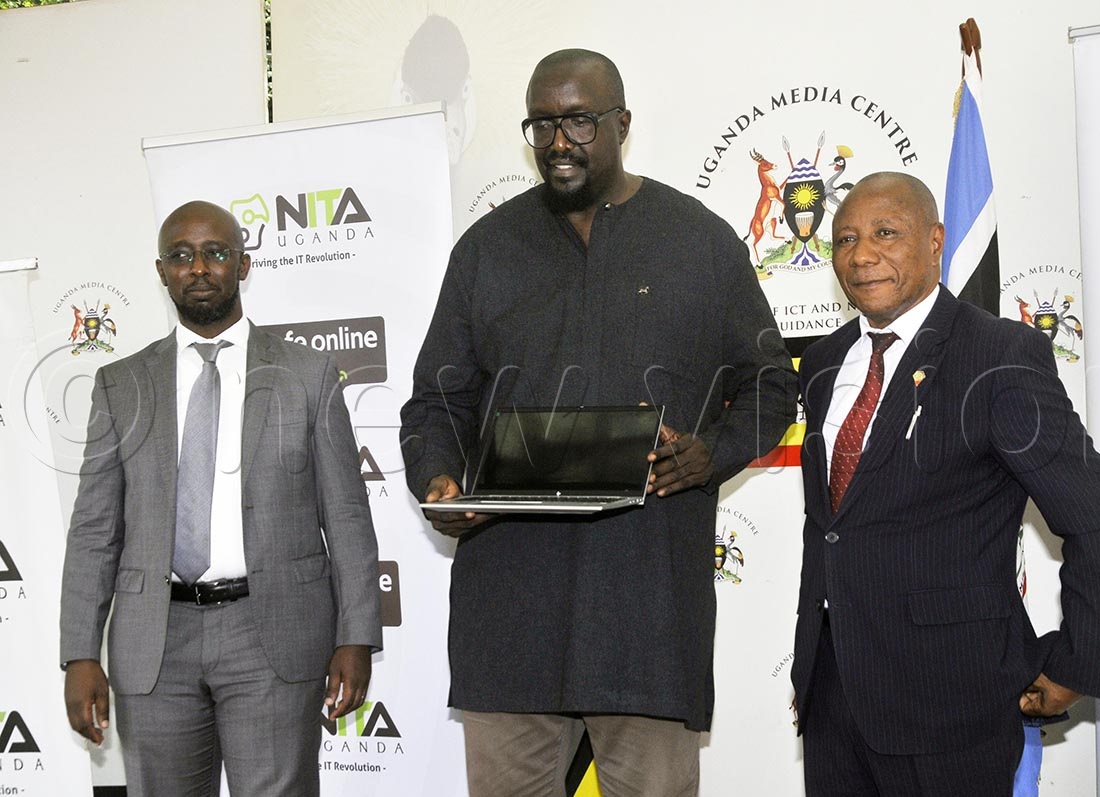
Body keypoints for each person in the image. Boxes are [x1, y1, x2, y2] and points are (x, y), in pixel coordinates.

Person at [400, 49, 797, 796]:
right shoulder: (485, 251)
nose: (559, 142)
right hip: (510, 610)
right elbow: (436, 402)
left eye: (579, 121)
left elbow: (772, 385)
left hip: (648, 609)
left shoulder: (699, 241)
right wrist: (439, 477)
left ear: (622, 123)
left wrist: (709, 453)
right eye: (542, 125)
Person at [790, 172, 1100, 796]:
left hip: (953, 697)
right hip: (833, 699)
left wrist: (1079, 663)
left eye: (885, 233)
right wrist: (810, 665)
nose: (861, 255)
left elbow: (1095, 521)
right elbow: (834, 528)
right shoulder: (821, 362)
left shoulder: (1000, 354)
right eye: (845, 239)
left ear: (935, 241)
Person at [59, 201, 382, 796]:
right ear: (162, 272)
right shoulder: (120, 384)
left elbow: (346, 515)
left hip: (273, 630)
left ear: (243, 264)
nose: (199, 267)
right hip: (154, 641)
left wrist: (355, 635)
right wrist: (80, 652)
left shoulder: (308, 374)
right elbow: (94, 531)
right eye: (181, 255)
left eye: (215, 253)